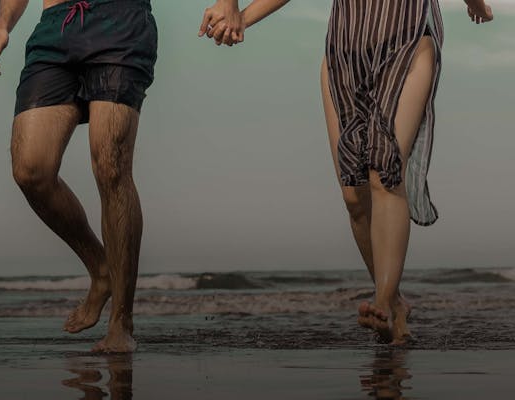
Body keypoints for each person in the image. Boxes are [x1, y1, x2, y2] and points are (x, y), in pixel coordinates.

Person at [200, 0, 493, 344]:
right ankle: (394, 304)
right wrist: (242, 19)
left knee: (384, 173)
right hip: (344, 47)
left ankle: (382, 300)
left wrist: (476, 4)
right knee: (354, 196)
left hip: (409, 37)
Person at [0, 0, 158, 353]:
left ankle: (121, 321)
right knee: (31, 169)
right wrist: (2, 26)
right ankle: (101, 269)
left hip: (120, 25)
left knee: (111, 167)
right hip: (55, 28)